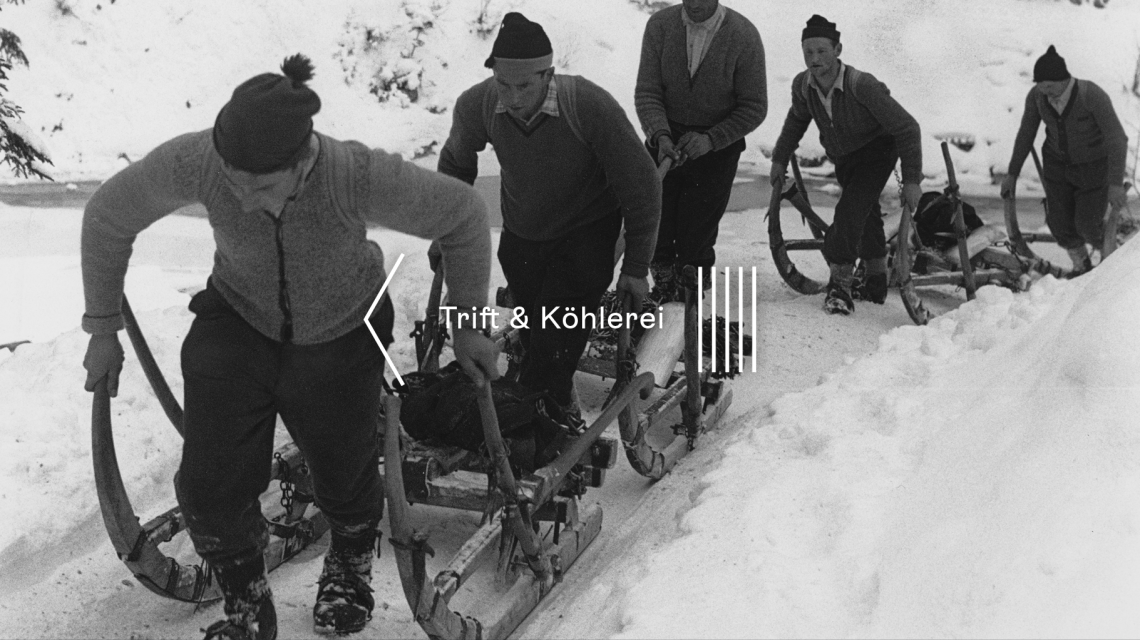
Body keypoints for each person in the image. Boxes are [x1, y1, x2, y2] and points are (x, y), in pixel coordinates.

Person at [80, 55, 499, 640]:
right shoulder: (200, 160)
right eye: (233, 182)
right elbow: (107, 216)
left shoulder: (354, 174)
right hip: (241, 315)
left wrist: (470, 324)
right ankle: (247, 603)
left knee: (341, 461)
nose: (244, 199)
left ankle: (351, 560)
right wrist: (102, 328)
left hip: (343, 324)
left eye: (263, 187)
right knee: (208, 480)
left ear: (303, 162)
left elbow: (464, 215)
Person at [437, 13, 661, 418]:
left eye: (524, 85)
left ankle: (544, 420)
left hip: (586, 231)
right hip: (524, 232)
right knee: (534, 314)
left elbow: (642, 185)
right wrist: (443, 234)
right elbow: (455, 165)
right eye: (504, 84)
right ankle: (533, 388)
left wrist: (636, 265)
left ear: (548, 74)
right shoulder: (480, 104)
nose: (513, 96)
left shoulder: (588, 106)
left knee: (557, 331)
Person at [770, 15, 923, 315]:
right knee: (866, 215)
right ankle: (876, 279)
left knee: (850, 211)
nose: (814, 59)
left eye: (822, 51)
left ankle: (840, 285)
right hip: (844, 156)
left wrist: (913, 180)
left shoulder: (861, 85)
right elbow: (796, 120)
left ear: (838, 49)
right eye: (808, 52)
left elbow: (908, 128)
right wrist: (779, 157)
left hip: (877, 152)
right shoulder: (804, 85)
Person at [634, 0, 767, 299]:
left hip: (716, 150)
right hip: (665, 143)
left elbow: (754, 107)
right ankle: (663, 289)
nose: (693, 3)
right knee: (657, 224)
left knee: (697, 234)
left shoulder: (744, 35)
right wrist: (660, 135)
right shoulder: (660, 26)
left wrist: (710, 140)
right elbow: (648, 91)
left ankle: (690, 300)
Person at [1001, 45, 1128, 276]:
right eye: (1039, 85)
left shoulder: (1092, 95)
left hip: (1093, 166)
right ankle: (1082, 266)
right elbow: (1026, 133)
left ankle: (1117, 261)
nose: (1044, 90)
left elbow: (1117, 139)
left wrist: (1116, 184)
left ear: (1063, 80)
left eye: (1049, 85)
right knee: (1059, 223)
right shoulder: (1038, 96)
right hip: (1057, 166)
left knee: (1088, 225)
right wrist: (1012, 173)